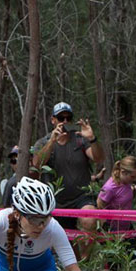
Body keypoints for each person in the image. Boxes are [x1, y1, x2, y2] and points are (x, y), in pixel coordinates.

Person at [32, 102, 104, 260]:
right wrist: (52, 141)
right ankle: (77, 267)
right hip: (56, 200)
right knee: (66, 246)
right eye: (60, 118)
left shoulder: (80, 139)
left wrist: (92, 138)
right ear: (53, 120)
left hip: (82, 196)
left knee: (89, 220)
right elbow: (37, 164)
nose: (64, 121)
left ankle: (86, 260)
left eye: (68, 118)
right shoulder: (43, 142)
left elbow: (98, 158)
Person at [97, 156, 136, 262]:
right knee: (116, 263)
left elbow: (123, 193)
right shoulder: (110, 187)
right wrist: (106, 232)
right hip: (113, 230)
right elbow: (100, 205)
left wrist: (135, 188)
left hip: (126, 227)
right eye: (133, 177)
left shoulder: (126, 184)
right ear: (123, 172)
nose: (134, 180)